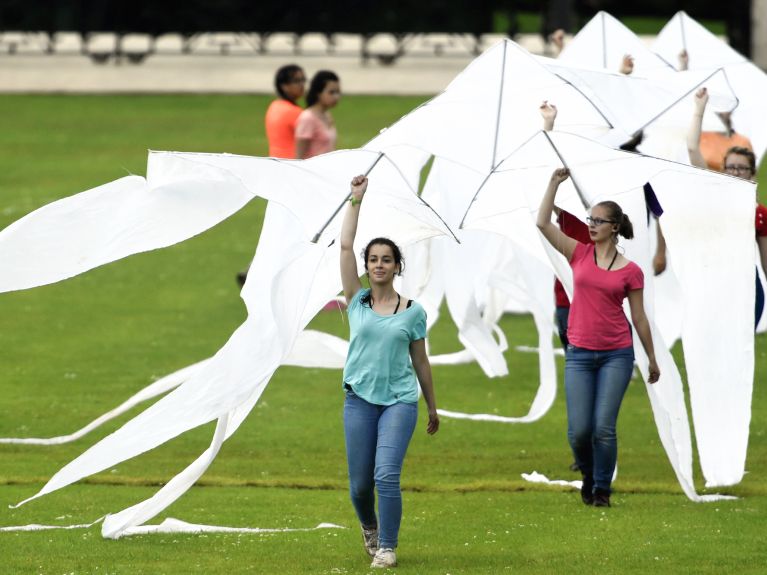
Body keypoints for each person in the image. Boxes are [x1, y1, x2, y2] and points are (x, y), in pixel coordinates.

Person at [536, 168, 660, 507]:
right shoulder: (578, 253)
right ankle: (589, 474)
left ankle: (602, 489)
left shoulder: (631, 271)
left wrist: (651, 358)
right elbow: (543, 224)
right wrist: (553, 184)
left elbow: (638, 317)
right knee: (578, 432)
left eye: (599, 221)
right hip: (578, 354)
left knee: (604, 427)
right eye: (590, 219)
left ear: (614, 228)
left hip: (616, 355)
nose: (591, 224)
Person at [340, 175, 439, 568]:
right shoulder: (356, 302)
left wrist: (432, 407)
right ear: (366, 267)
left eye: (386, 259)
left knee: (386, 476)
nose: (379, 265)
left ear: (398, 266)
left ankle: (388, 546)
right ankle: (370, 527)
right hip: (359, 399)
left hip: (399, 401)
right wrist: (355, 200)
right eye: (373, 259)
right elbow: (346, 245)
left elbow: (421, 361)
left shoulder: (413, 311)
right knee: (360, 486)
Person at [682, 88, 766, 325]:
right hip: (713, 284)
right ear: (724, 170)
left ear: (751, 173)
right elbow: (692, 149)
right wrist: (699, 110)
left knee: (742, 354)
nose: (736, 172)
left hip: (747, 286)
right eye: (731, 167)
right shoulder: (713, 198)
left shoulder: (759, 212)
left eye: (741, 168)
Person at [295, 70, 341, 159]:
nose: (336, 97)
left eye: (338, 92)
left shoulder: (327, 115)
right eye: (331, 92)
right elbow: (299, 158)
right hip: (312, 171)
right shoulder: (307, 118)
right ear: (318, 93)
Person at [264, 64, 306, 159]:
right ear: (284, 86)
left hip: (275, 161)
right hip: (293, 163)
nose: (302, 85)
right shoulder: (294, 112)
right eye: (297, 81)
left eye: (303, 80)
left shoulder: (274, 106)